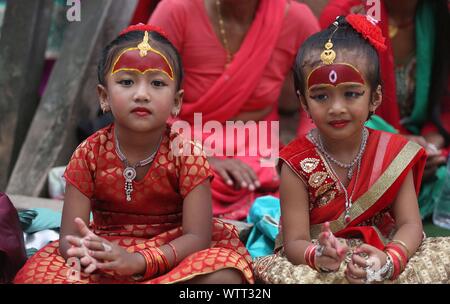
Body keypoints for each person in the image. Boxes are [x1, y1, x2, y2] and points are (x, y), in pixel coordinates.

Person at [13, 24, 254, 284]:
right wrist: (96, 256)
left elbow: (197, 237)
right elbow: (70, 239)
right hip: (105, 255)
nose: (141, 94)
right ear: (104, 97)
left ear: (176, 101)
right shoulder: (88, 154)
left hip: (172, 255)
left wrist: (140, 262)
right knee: (36, 277)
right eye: (127, 82)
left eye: (157, 83)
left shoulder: (187, 155)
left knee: (225, 277)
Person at [253, 15, 450, 283]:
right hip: (324, 263)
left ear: (375, 97)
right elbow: (295, 241)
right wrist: (319, 256)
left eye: (351, 94)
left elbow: (410, 225)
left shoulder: (392, 151)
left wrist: (389, 260)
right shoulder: (296, 163)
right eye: (320, 96)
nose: (336, 108)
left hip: (382, 252)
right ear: (303, 102)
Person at [149, 0, 320, 220]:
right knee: (188, 181)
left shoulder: (295, 18)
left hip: (257, 147)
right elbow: (146, 94)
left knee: (292, 187)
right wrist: (201, 159)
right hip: (181, 137)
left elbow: (319, 95)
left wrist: (301, 158)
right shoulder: (177, 9)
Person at [303, 0, 450, 219]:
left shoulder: (442, 12)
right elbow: (331, 106)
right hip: (362, 150)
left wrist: (434, 138)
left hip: (435, 153)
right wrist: (397, 146)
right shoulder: (346, 15)